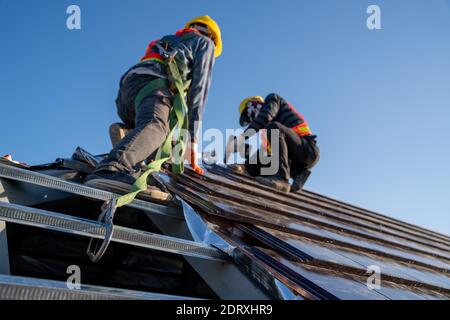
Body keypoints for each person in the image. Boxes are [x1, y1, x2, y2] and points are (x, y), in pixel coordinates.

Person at [85, 16, 222, 198]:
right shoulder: (205, 43)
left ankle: (130, 139)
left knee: (160, 138)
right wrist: (191, 140)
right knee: (157, 127)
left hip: (128, 93)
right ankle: (112, 167)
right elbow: (199, 91)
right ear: (212, 36)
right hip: (152, 87)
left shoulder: (168, 40)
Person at [230, 94, 320, 192]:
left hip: (308, 149)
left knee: (274, 128)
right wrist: (245, 162)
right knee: (254, 165)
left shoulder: (273, 99)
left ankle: (282, 179)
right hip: (293, 161)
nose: (251, 118)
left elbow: (266, 116)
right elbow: (265, 156)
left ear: (254, 104)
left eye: (248, 113)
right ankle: (298, 173)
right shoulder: (267, 133)